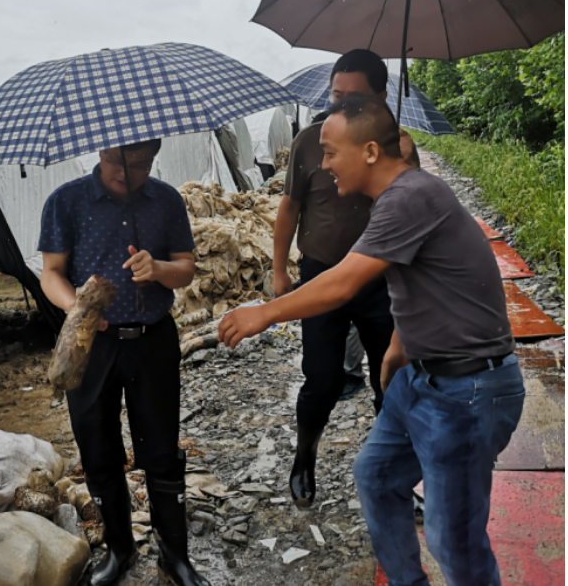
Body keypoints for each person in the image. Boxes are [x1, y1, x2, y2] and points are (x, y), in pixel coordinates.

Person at [220, 95, 524, 586]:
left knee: (454, 539)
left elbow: (342, 283)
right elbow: (433, 282)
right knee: (377, 478)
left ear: (368, 152)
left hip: (468, 390)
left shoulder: (410, 197)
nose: (322, 164)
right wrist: (400, 345)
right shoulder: (399, 198)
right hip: (421, 379)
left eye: (330, 151)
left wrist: (265, 313)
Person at [39, 139, 210, 586]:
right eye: (117, 162)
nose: (125, 173)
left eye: (139, 165)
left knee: (160, 450)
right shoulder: (66, 201)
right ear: (100, 152)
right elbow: (51, 271)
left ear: (153, 157)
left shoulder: (166, 200)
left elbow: (186, 267)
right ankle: (120, 549)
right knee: (96, 447)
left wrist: (157, 269)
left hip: (152, 339)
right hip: (90, 345)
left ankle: (174, 556)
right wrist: (76, 307)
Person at [273, 49, 418, 508]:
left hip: (381, 278)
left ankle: (397, 476)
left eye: (355, 99)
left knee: (390, 376)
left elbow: (412, 215)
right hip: (322, 274)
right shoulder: (310, 141)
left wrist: (404, 158)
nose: (342, 108)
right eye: (337, 96)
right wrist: (279, 270)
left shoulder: (397, 148)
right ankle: (304, 458)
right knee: (322, 378)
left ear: (381, 97)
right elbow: (290, 208)